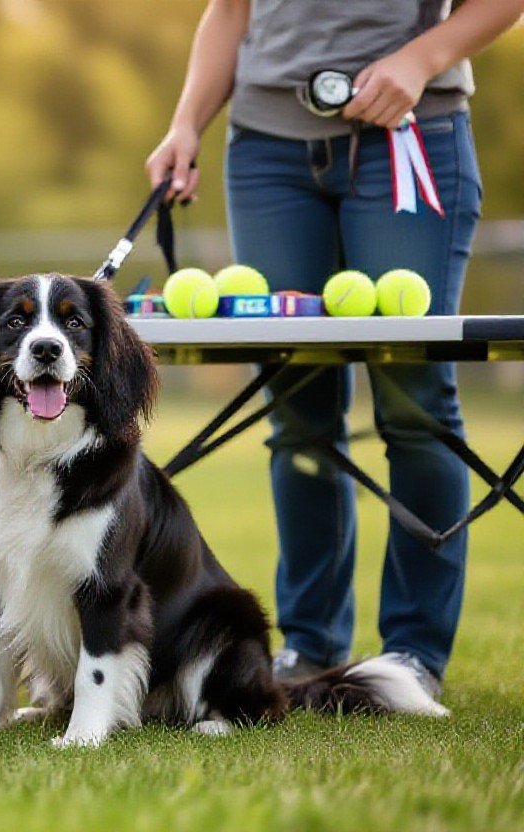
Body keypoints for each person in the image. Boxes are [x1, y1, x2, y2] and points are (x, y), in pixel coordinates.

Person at [146, 0, 524, 697]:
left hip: (409, 133)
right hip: (266, 151)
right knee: (298, 413)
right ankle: (310, 643)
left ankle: (413, 652)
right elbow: (229, 10)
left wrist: (421, 60)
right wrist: (186, 124)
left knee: (416, 405)